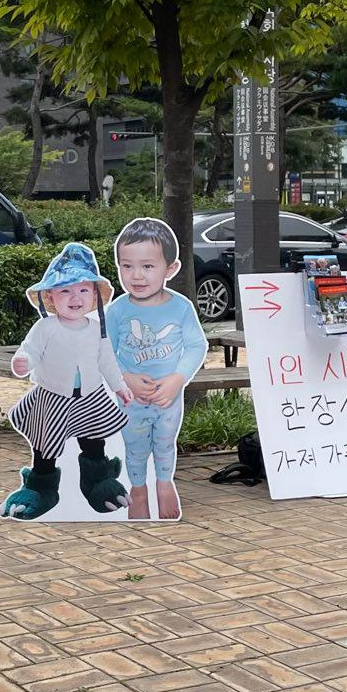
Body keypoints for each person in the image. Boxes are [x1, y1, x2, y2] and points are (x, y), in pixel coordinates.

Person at [0, 243, 132, 522]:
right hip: (53, 398)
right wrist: (22, 362)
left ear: (95, 295)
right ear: (50, 297)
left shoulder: (97, 329)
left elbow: (107, 360)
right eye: (65, 291)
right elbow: (30, 350)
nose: (76, 297)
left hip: (91, 397)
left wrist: (119, 386)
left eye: (84, 290)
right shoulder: (46, 327)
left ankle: (97, 481)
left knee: (94, 440)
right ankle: (41, 486)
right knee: (45, 445)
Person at [105, 218, 207, 521]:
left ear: (170, 269)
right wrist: (126, 378)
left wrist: (177, 379)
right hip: (131, 401)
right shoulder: (117, 310)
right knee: (134, 446)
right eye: (127, 266)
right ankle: (138, 489)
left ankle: (164, 483)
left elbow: (196, 346)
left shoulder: (181, 307)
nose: (136, 276)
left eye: (147, 266)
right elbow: (104, 352)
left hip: (168, 399)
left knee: (165, 443)